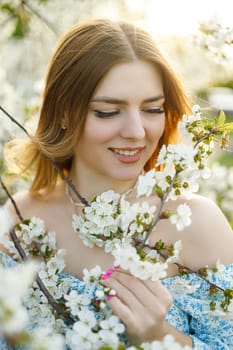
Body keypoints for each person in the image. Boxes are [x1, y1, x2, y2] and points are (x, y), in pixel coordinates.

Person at [1, 18, 233, 349]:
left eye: (152, 109)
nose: (137, 132)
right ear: (64, 112)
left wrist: (158, 336)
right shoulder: (20, 221)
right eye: (109, 112)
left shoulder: (197, 226)